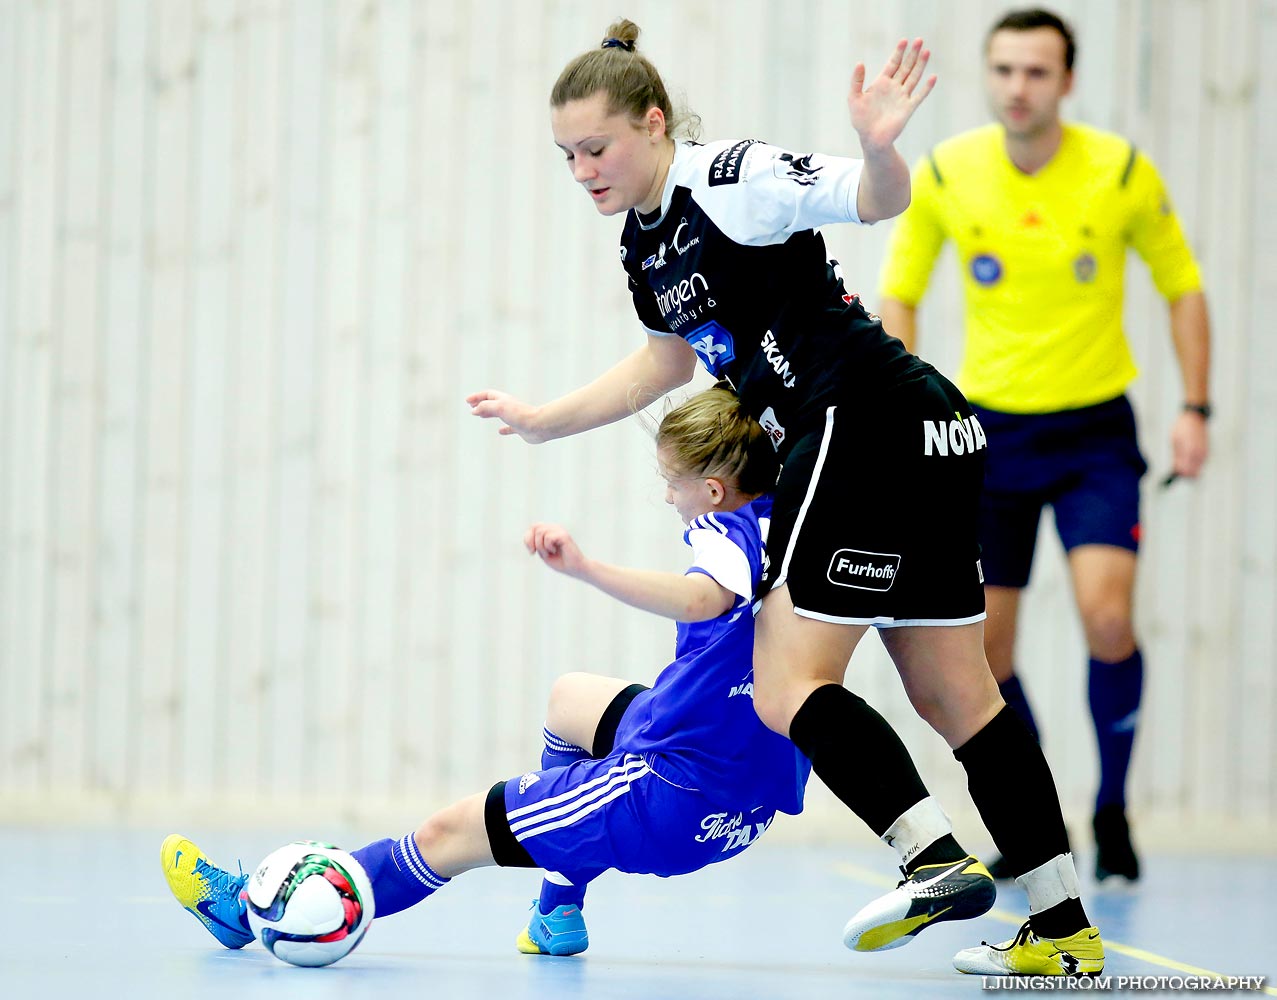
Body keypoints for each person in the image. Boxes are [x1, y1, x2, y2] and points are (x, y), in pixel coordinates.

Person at [467, 18, 1103, 978]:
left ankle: (931, 859)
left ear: (651, 122)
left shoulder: (730, 182)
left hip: (857, 424)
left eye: (596, 148)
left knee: (786, 683)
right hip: (930, 429)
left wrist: (879, 150)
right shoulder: (645, 247)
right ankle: (1065, 932)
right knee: (956, 695)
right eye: (566, 156)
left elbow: (870, 199)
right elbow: (666, 362)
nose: (582, 170)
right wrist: (548, 420)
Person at [162, 387, 819, 960]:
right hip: (751, 779)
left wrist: (585, 569)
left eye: (672, 484)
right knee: (569, 700)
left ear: (710, 490)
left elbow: (705, 598)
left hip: (675, 797)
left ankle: (249, 913)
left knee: (447, 834)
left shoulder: (722, 534)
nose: (667, 497)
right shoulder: (794, 503)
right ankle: (557, 912)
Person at [876, 7, 1211, 886]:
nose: (1017, 87)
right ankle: (1041, 813)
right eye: (1004, 71)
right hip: (989, 438)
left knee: (1107, 619)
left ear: (1065, 81)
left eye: (1036, 72)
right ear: (988, 78)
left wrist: (1195, 408)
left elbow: (1181, 287)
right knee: (988, 654)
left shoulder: (1119, 172)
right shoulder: (949, 170)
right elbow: (899, 294)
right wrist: (914, 406)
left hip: (1095, 429)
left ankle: (1112, 808)